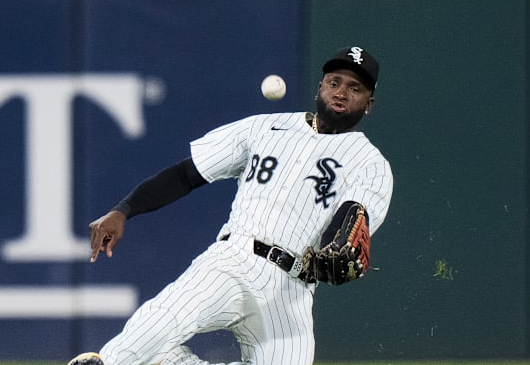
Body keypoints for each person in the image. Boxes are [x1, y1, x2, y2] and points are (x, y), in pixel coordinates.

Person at [68, 46, 394, 365]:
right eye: (334, 82)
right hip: (235, 260)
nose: (341, 92)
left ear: (369, 103)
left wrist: (338, 247)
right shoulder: (263, 127)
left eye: (355, 88)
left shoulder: (370, 163)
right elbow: (186, 175)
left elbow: (353, 218)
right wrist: (123, 210)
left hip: (292, 290)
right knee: (171, 313)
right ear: (320, 87)